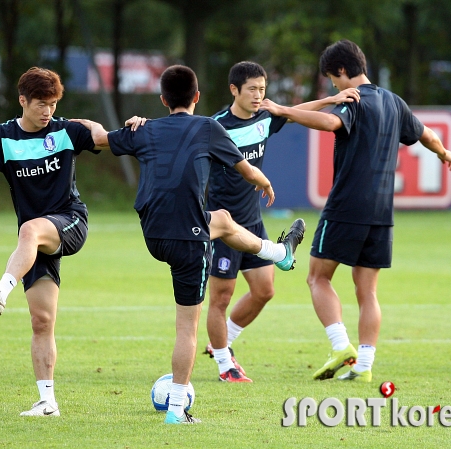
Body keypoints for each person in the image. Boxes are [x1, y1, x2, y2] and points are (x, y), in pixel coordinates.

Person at [71, 65, 304, 424]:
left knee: (223, 219)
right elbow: (247, 171)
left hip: (154, 233)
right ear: (197, 97)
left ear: (163, 100)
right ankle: (176, 410)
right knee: (186, 328)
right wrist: (267, 183)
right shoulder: (208, 127)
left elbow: (100, 137)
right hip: (187, 239)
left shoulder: (144, 129)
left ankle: (279, 255)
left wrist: (63, 122)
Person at [260, 40, 451, 382]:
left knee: (317, 277)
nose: (334, 87)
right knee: (367, 290)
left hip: (347, 204)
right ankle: (364, 367)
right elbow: (425, 134)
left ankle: (341, 347)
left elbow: (330, 124)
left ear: (340, 72)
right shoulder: (394, 102)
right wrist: (443, 152)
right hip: (382, 211)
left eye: (332, 80)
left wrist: (283, 110)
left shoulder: (353, 99)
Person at [203, 61, 361, 382]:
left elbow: (291, 111)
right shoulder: (215, 125)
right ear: (234, 90)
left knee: (264, 290)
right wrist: (143, 122)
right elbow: (177, 130)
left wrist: (331, 100)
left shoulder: (264, 117)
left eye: (262, 89)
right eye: (252, 90)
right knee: (221, 297)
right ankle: (224, 366)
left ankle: (222, 344)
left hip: (252, 220)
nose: (259, 96)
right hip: (222, 224)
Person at [0, 67, 109, 416]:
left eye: (53, 104)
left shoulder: (64, 131)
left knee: (28, 229)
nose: (48, 111)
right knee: (41, 321)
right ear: (23, 101)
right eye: (41, 104)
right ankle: (48, 402)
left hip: (70, 220)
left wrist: (97, 124)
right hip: (34, 244)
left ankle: (1, 290)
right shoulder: (4, 136)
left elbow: (105, 138)